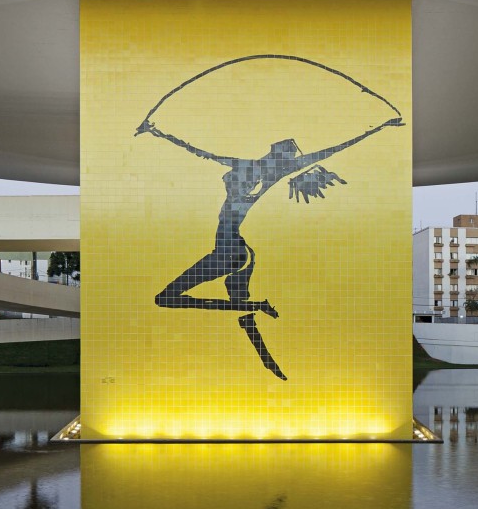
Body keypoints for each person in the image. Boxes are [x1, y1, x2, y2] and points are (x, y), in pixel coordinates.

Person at [137, 116, 404, 379]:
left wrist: (379, 128)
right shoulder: (267, 170)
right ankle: (269, 363)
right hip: (241, 251)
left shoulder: (252, 167)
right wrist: (159, 133)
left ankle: (259, 307)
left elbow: (331, 150)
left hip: (228, 251)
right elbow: (199, 152)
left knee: (166, 298)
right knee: (243, 311)